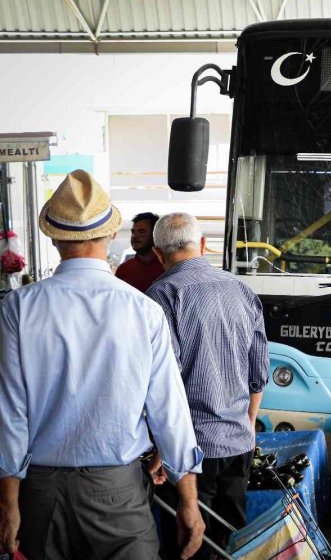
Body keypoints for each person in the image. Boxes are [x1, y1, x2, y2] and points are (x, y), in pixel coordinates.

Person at [0, 170, 204, 560]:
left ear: (56, 238)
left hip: (40, 494)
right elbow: (170, 412)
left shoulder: (17, 309)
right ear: (111, 235)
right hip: (119, 494)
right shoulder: (143, 310)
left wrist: (9, 506)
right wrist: (188, 500)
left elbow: (10, 414)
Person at [146, 212, 269, 557]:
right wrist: (248, 424)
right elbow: (259, 370)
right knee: (232, 542)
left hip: (189, 452)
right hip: (237, 445)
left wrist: (161, 445)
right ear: (202, 245)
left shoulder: (160, 296)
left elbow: (163, 384)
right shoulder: (241, 289)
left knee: (188, 545)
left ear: (158, 253)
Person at [115, 211, 165, 292]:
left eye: (141, 231)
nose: (135, 236)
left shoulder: (167, 267)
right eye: (133, 231)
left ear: (154, 234)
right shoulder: (124, 269)